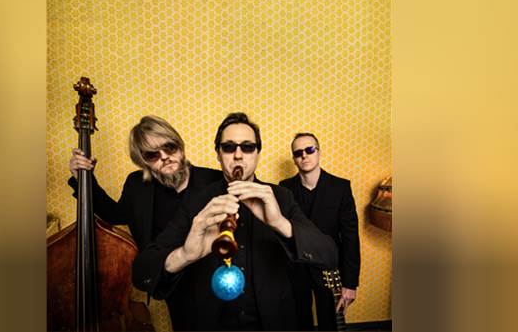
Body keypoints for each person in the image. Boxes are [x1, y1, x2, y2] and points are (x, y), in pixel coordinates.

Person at [132, 113, 338, 331]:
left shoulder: (281, 196)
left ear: (257, 153)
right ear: (218, 155)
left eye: (247, 147)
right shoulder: (197, 202)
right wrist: (185, 255)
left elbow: (329, 255)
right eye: (229, 147)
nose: (238, 155)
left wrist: (280, 223)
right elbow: (142, 272)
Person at [68, 115, 224, 331]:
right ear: (142, 160)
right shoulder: (136, 184)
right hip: (174, 284)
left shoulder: (215, 180)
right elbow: (115, 215)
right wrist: (84, 179)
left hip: (217, 278)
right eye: (152, 154)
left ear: (180, 146)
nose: (165, 157)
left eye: (169, 147)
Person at [279, 133, 361, 331]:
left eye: (309, 150)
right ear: (294, 159)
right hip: (296, 269)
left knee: (330, 323)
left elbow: (350, 237)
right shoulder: (284, 188)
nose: (304, 156)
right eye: (298, 153)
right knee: (298, 323)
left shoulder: (341, 187)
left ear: (319, 152)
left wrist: (350, 283)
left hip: (329, 269)